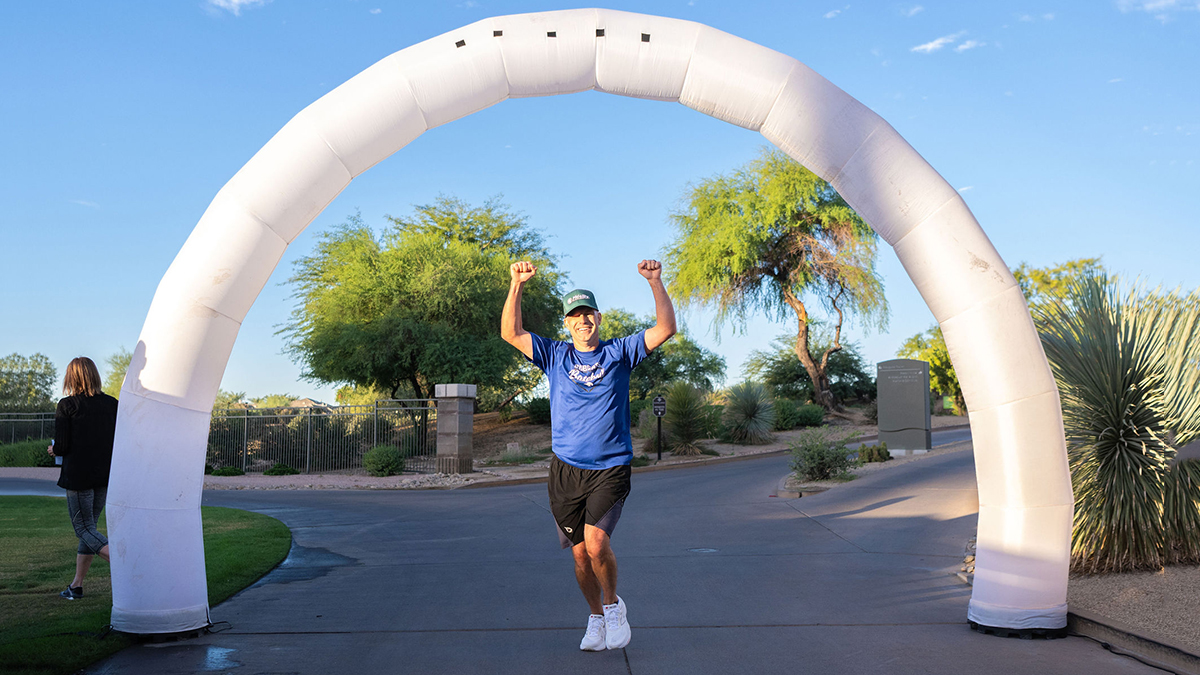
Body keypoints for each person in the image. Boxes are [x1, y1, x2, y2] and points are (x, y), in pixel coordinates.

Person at [501, 258, 677, 651]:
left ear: (598, 317)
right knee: (580, 557)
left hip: (610, 468)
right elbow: (511, 332)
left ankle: (613, 607)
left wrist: (655, 282)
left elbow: (665, 329)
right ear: (567, 323)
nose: (582, 320)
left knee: (597, 545)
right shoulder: (554, 355)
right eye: (575, 315)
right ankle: (595, 617)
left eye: (588, 313)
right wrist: (517, 284)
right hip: (566, 471)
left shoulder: (620, 352)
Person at [47, 356, 119, 601]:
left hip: (78, 477)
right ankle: (76, 585)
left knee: (84, 528)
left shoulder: (67, 405)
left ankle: (124, 562)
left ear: (71, 377)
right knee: (90, 529)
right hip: (104, 476)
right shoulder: (112, 404)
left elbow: (62, 445)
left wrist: (54, 450)